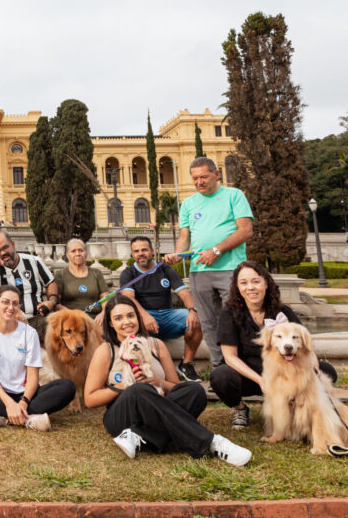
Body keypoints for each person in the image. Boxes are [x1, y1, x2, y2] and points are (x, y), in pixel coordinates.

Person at [83, 294, 251, 466]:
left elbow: (176, 388)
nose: (126, 322)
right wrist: (123, 386)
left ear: (138, 318)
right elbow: (90, 399)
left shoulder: (156, 345)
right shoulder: (106, 350)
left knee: (194, 391)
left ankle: (140, 435)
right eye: (118, 318)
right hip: (122, 416)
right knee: (139, 390)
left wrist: (157, 382)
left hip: (155, 407)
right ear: (111, 323)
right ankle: (212, 442)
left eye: (130, 316)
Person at [209, 261, 339, 430]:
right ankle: (240, 409)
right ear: (237, 288)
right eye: (244, 283)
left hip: (282, 374)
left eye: (256, 281)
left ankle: (296, 408)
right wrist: (261, 380)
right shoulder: (229, 313)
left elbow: (305, 346)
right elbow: (230, 357)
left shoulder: (282, 311)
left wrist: (313, 363)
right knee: (221, 377)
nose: (251, 288)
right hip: (249, 376)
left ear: (266, 283)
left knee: (326, 371)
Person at [164, 157, 253, 368]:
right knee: (208, 322)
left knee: (238, 317)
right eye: (195, 178)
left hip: (231, 269)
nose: (199, 182)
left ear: (216, 174)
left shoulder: (234, 196)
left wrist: (216, 250)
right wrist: (177, 254)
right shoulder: (188, 203)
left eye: (204, 177)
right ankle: (220, 370)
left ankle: (246, 367)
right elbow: (185, 237)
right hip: (199, 271)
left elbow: (246, 230)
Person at [0, 286, 75, 430]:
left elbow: (33, 377)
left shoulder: (29, 333)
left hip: (26, 395)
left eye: (15, 303)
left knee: (67, 387)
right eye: (5, 302)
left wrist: (23, 403)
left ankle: (1, 417)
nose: (10, 307)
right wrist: (9, 404)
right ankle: (29, 419)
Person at [120, 236, 203, 382]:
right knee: (134, 321)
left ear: (152, 251)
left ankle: (186, 365)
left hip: (168, 315)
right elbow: (129, 299)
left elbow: (183, 292)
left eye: (144, 249)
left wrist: (192, 310)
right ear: (132, 254)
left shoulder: (165, 269)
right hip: (144, 317)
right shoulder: (128, 273)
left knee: (195, 321)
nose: (141, 253)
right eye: (136, 251)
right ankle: (146, 369)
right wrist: (145, 315)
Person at [0, 231, 56, 342]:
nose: (2, 253)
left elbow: (50, 282)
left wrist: (52, 301)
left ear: (13, 244)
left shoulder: (33, 261)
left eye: (5, 247)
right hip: (8, 322)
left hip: (37, 319)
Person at [53, 238, 107, 321]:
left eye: (81, 250)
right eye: (73, 251)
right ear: (67, 255)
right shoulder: (60, 275)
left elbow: (105, 297)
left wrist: (103, 313)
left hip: (96, 319)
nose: (77, 254)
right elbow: (56, 303)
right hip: (71, 319)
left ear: (86, 253)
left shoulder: (96, 273)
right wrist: (73, 315)